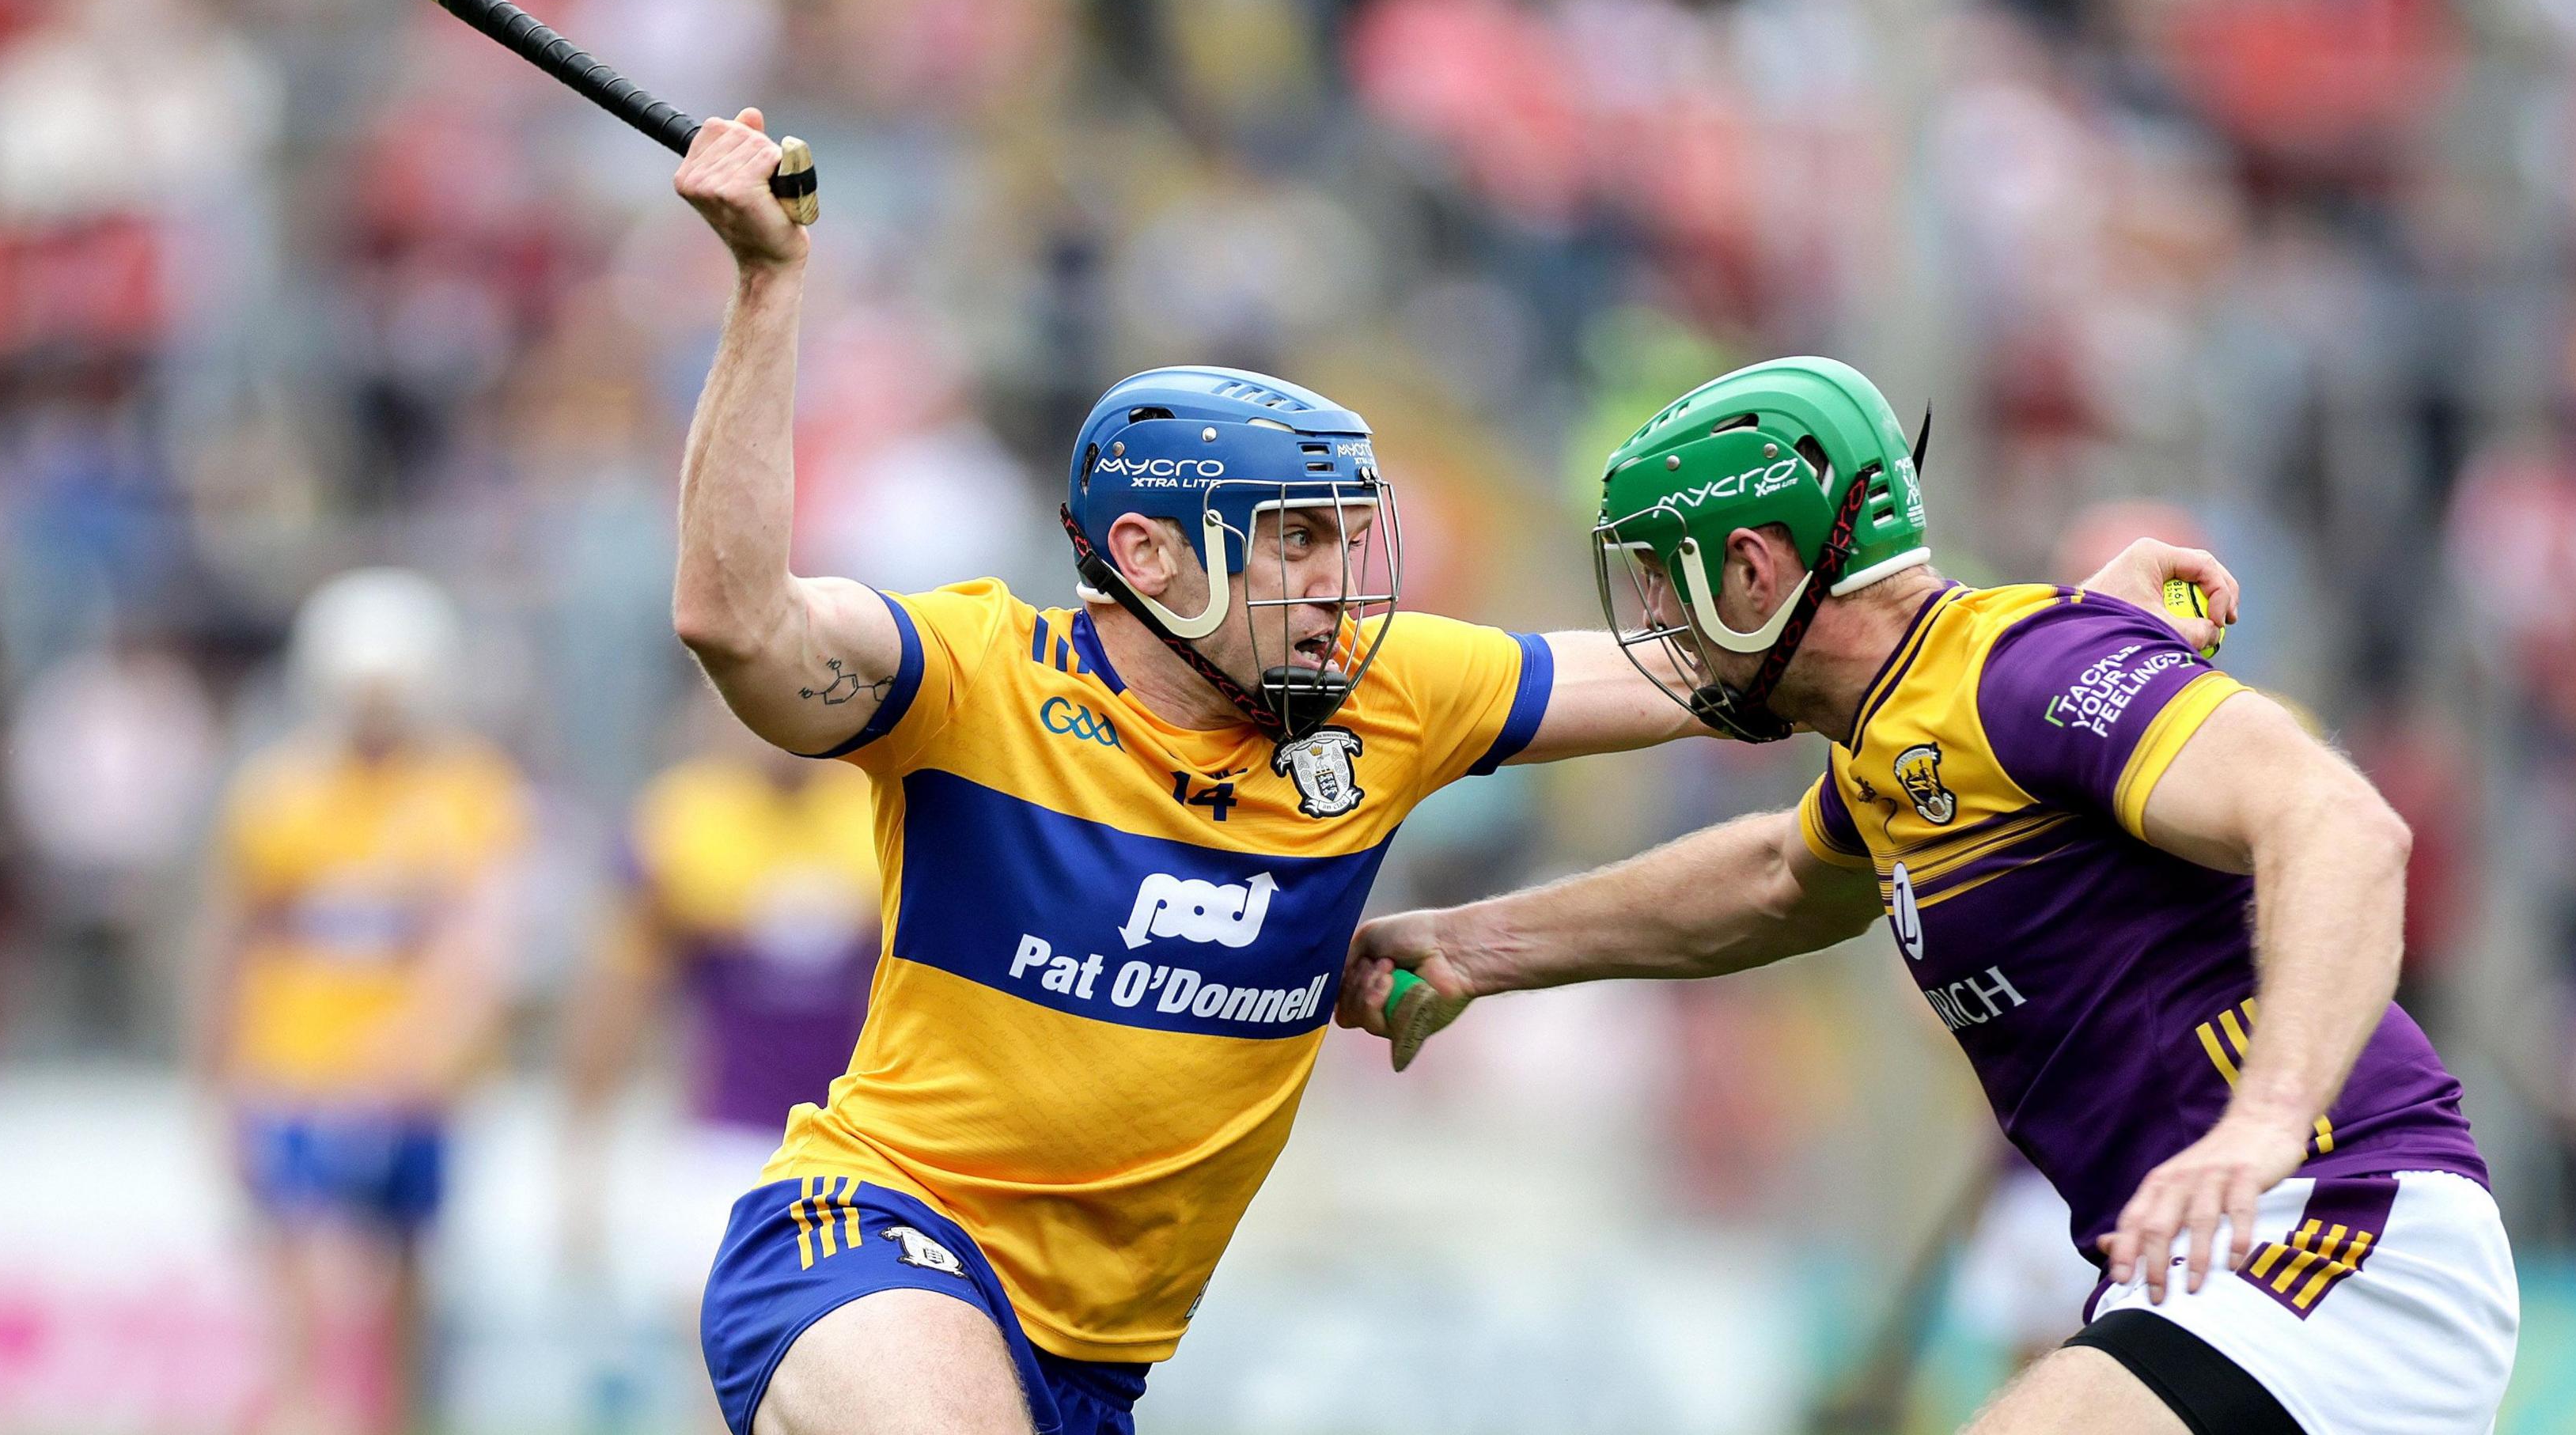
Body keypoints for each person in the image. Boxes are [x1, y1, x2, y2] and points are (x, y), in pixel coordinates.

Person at [663, 109, 2234, 1435]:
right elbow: (740, 623)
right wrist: (767, 287)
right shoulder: (975, 678)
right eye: (1294, 543)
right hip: (870, 1241)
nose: (1342, 585)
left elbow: (1749, 660)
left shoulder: (1395, 690)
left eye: (1351, 541)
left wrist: (2045, 635)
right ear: (1142, 554)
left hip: (1097, 1364)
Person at [1343, 357, 2517, 1435]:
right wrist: (1474, 946)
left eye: (1667, 579)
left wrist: (2264, 1122)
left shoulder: (2026, 674)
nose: (1657, 627)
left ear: (1754, 569)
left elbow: (2342, 824)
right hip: (2201, 1259)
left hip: (2335, 1223)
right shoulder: (1900, 733)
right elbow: (1775, 880)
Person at [192, 568, 531, 1435]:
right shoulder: (277, 794)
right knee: (304, 1274)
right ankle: (306, 1413)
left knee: (410, 1279)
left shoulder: (468, 790)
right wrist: (215, 1082)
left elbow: (480, 946)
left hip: (417, 1091)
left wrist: (416, 1049)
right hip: (295, 1074)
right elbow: (231, 946)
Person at [559, 691, 884, 1428]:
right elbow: (615, 1000)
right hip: (724, 1138)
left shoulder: (881, 805)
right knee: (725, 1359)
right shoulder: (680, 820)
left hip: (869, 1140)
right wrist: (583, 1155)